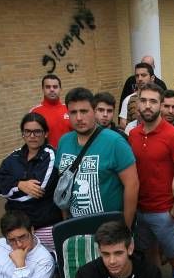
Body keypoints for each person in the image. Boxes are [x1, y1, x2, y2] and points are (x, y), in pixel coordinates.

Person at [57, 87, 139, 224]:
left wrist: (126, 227)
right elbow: (62, 183)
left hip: (109, 228)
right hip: (74, 225)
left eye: (84, 111)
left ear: (94, 111)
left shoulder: (115, 142)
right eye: (73, 112)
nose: (78, 118)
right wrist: (65, 220)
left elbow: (132, 185)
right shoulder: (63, 141)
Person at [127, 84, 174, 268]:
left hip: (165, 211)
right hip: (140, 211)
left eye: (153, 101)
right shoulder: (132, 134)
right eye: (143, 100)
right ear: (137, 104)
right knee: (148, 254)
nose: (147, 105)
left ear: (161, 105)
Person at [0, 113, 63, 252]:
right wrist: (20, 184)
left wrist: (9, 190)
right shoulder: (14, 156)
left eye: (37, 131)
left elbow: (36, 192)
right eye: (28, 131)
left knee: (49, 264)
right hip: (16, 227)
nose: (32, 136)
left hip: (43, 225)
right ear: (23, 134)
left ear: (46, 133)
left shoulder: (51, 156)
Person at [29, 74, 72, 149]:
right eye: (48, 87)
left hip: (69, 155)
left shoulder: (70, 109)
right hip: (46, 157)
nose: (52, 89)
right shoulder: (34, 112)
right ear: (43, 89)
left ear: (60, 89)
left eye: (55, 87)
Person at [119, 63, 157, 128]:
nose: (139, 79)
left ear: (152, 78)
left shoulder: (160, 97)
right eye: (137, 76)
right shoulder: (128, 99)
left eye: (143, 75)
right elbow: (123, 124)